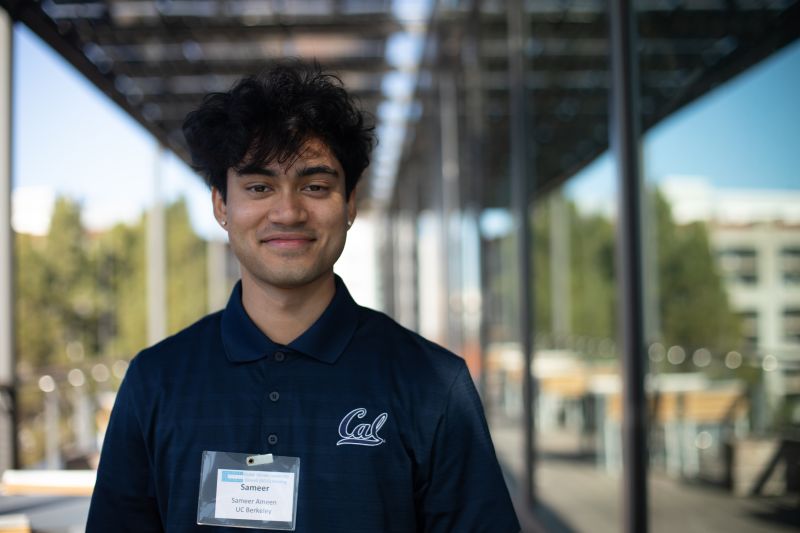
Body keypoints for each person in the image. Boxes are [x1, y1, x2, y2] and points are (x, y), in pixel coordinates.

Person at [86, 60, 520, 533]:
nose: (288, 212)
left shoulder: (432, 385)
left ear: (350, 203)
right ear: (220, 206)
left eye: (314, 186)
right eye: (259, 186)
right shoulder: (156, 382)